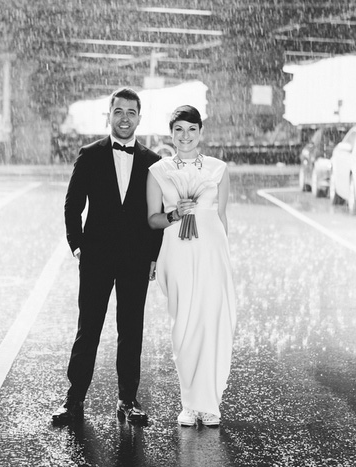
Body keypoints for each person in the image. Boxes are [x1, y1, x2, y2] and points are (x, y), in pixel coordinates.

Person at [52, 87, 162, 425]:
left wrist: (154, 256)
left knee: (131, 330)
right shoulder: (90, 154)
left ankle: (128, 400)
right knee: (89, 329)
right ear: (109, 116)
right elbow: (73, 204)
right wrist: (78, 244)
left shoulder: (152, 163)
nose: (125, 118)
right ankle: (74, 400)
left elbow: (156, 214)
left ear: (139, 118)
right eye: (119, 111)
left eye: (131, 112)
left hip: (135, 258)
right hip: (96, 257)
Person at [145, 105, 236, 427]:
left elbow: (221, 216)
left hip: (212, 252)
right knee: (183, 325)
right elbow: (153, 220)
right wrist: (175, 215)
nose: (185, 136)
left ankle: (209, 403)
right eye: (179, 130)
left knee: (211, 323)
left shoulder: (219, 168)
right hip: (177, 253)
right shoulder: (158, 170)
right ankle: (188, 403)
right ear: (171, 133)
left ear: (201, 132)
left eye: (191, 129)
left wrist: (226, 258)